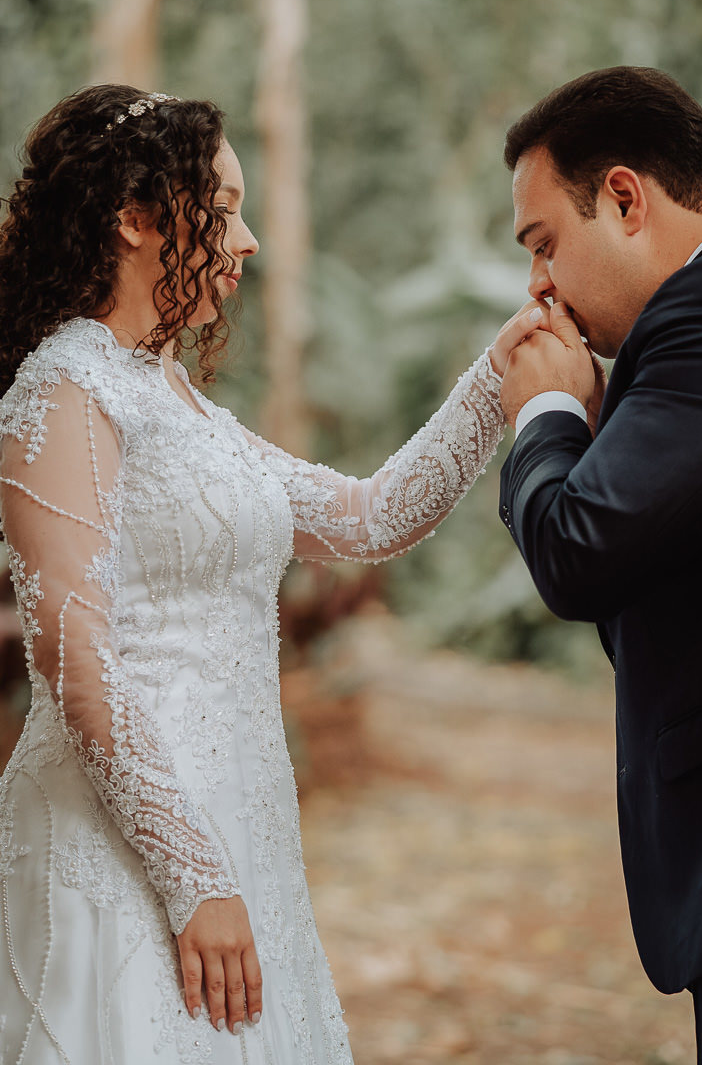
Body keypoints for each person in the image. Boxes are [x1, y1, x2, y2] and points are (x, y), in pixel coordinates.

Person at [0, 84, 533, 1064]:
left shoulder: (170, 395)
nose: (245, 241)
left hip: (241, 816)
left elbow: (369, 518)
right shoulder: (66, 382)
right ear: (135, 218)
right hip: (130, 847)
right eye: (226, 208)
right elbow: (71, 650)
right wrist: (192, 875)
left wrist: (502, 371)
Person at [497, 64, 702, 1062]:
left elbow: (579, 547)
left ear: (624, 198)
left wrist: (545, 413)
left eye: (543, 243)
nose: (537, 284)